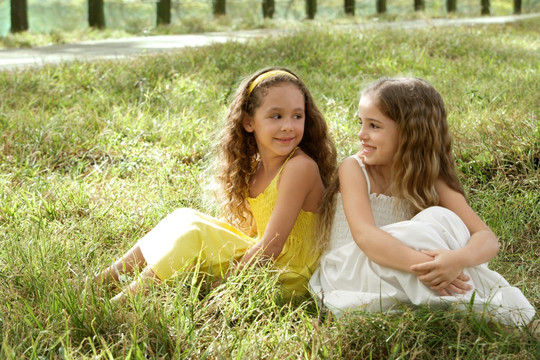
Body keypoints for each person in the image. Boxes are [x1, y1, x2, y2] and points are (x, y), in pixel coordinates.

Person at [96, 67, 337, 302]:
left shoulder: (299, 168)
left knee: (194, 235)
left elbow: (271, 247)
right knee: (183, 217)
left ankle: (125, 301)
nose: (288, 126)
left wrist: (225, 289)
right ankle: (103, 281)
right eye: (276, 116)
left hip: (288, 276)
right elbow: (249, 234)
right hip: (266, 266)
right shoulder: (257, 168)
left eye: (297, 115)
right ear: (248, 122)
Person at [309, 77, 535, 326]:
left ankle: (476, 307)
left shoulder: (430, 178)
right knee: (428, 228)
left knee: (443, 218)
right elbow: (366, 237)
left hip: (403, 269)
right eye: (361, 123)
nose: (362, 134)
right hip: (351, 272)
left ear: (410, 133)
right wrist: (434, 268)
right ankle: (484, 312)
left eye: (374, 126)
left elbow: (486, 238)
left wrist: (456, 261)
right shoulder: (354, 169)